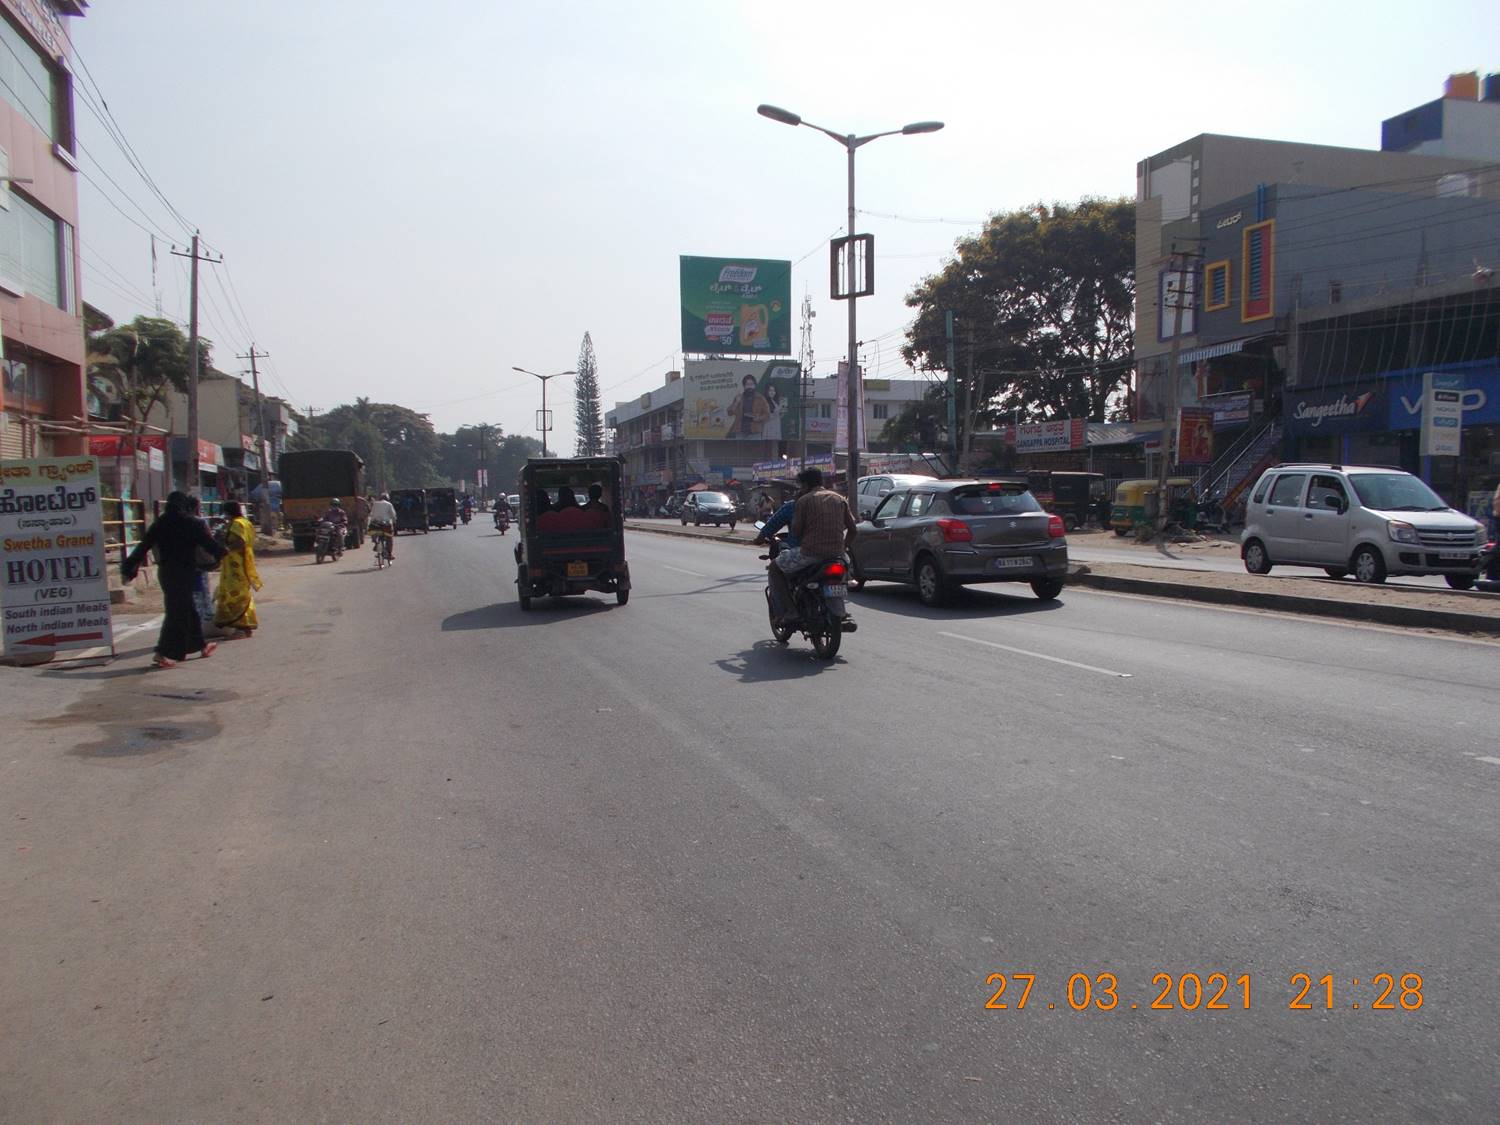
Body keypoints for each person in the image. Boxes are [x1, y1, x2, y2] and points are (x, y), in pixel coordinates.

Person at [122, 492, 225, 668]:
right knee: (177, 613)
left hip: (167, 573)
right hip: (185, 572)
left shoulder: (160, 523)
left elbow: (143, 546)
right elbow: (209, 544)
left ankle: (200, 645)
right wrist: (222, 553)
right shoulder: (191, 523)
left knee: (187, 609)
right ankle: (164, 652)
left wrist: (129, 568)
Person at [214, 500, 263, 638]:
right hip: (243, 562)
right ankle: (245, 628)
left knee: (235, 595)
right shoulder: (246, 522)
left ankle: (241, 628)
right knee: (242, 593)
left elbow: (240, 542)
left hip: (235, 565)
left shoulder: (237, 524)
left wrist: (226, 548)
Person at [726, 373, 769, 438]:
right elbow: (729, 413)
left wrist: (758, 418)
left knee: (755, 448)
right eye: (747, 384)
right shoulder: (739, 397)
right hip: (740, 431)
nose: (750, 387)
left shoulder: (760, 398)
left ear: (755, 385)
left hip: (755, 432)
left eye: (752, 384)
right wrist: (736, 402)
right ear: (744, 386)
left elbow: (767, 414)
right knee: (741, 448)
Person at [367, 492, 397, 560]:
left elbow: (371, 514)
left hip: (375, 524)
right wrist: (394, 521)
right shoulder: (389, 504)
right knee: (389, 538)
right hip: (385, 525)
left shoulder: (375, 504)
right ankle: (389, 554)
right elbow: (393, 515)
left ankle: (376, 543)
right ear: (388, 499)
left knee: (373, 532)